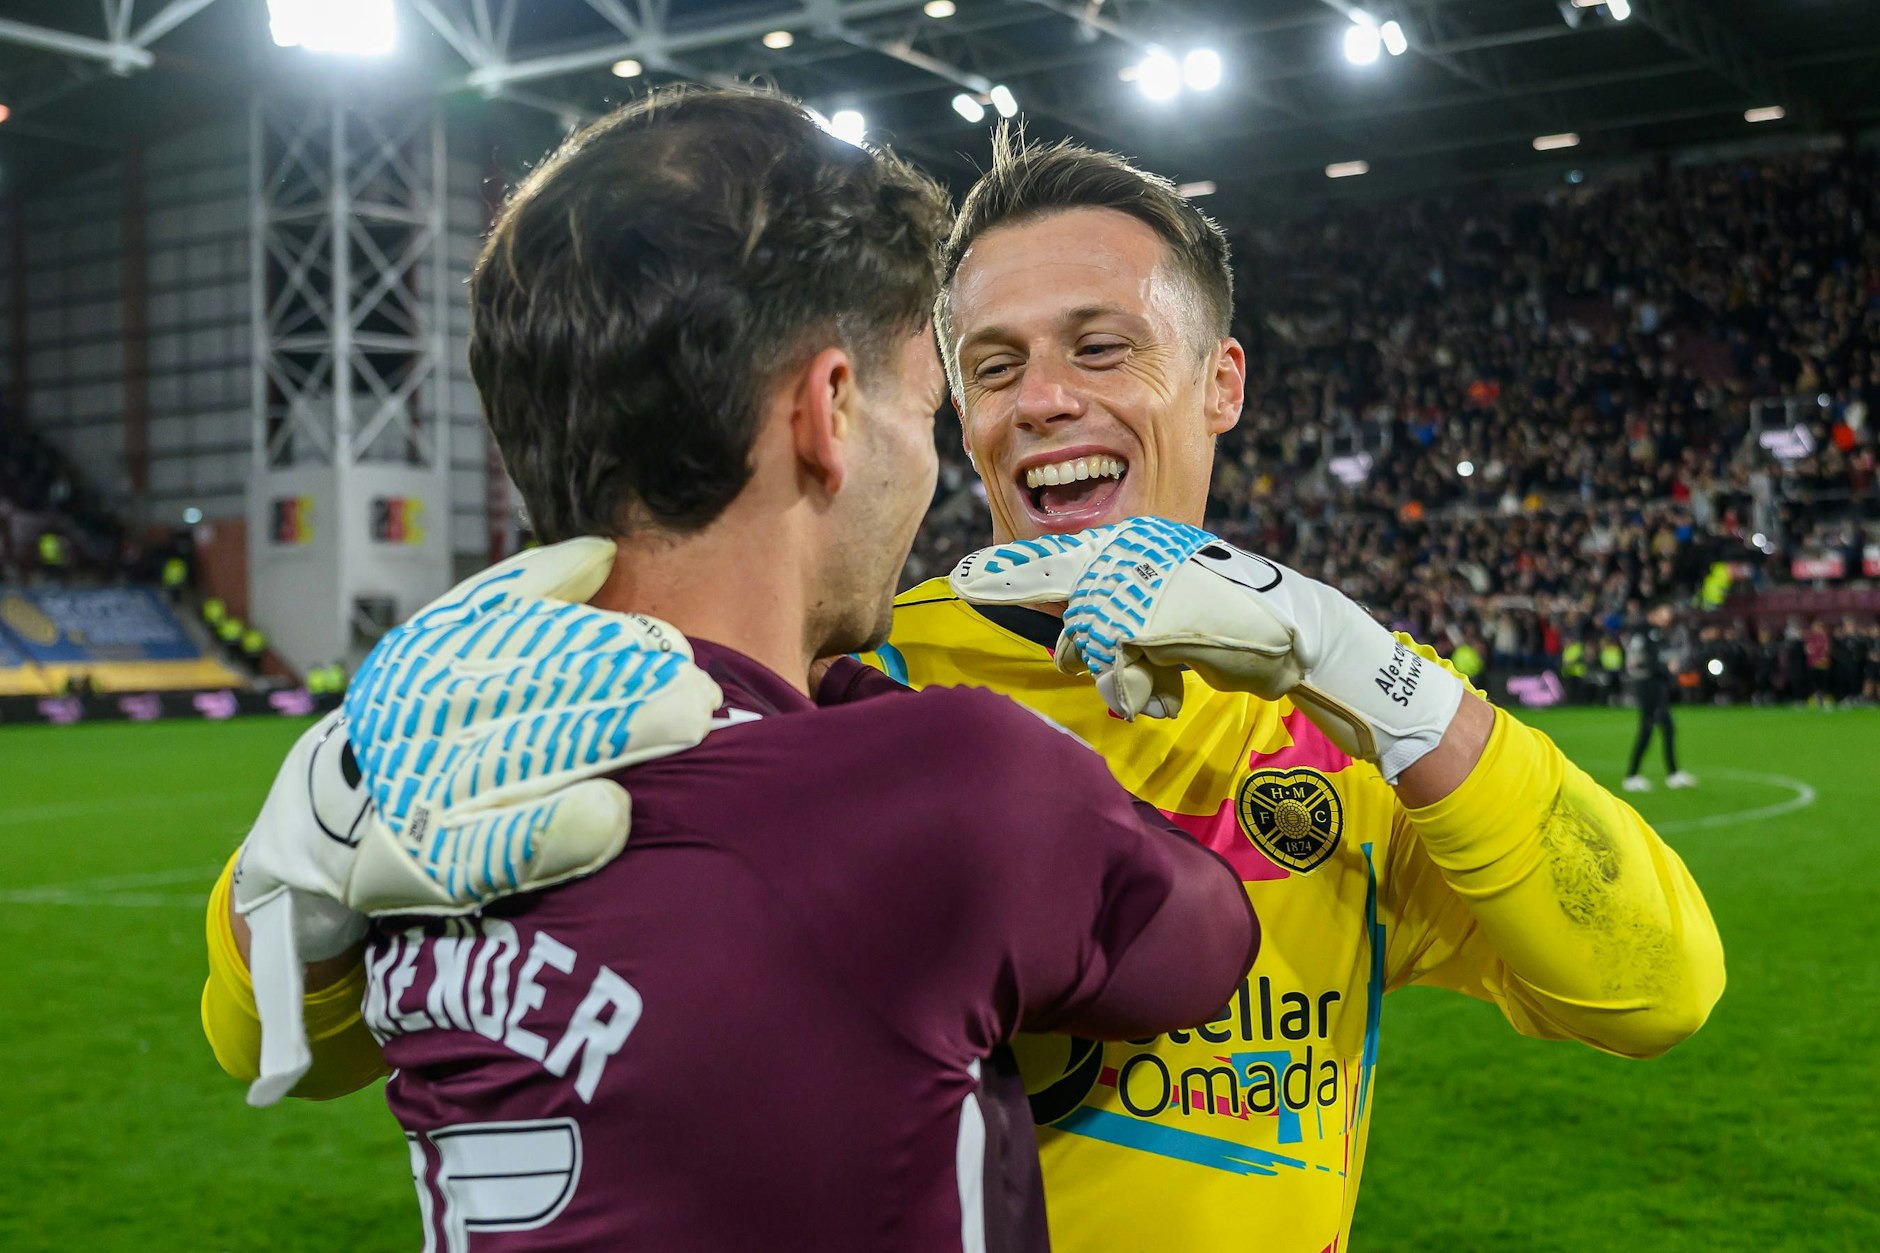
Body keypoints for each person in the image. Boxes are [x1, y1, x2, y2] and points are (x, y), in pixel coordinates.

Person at [200, 87, 1258, 1251]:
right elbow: (1204, 941)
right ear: (830, 411)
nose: (931, 464)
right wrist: (876, 702)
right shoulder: (951, 785)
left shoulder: (413, 804)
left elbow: (268, 1037)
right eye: (923, 403)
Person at [858, 131, 1723, 1253]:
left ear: (1220, 383)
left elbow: (1656, 988)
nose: (1043, 400)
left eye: (1100, 347)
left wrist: (1363, 667)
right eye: (993, 365)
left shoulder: (1347, 713)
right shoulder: (861, 678)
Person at [1623, 604, 1695, 791]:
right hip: (1648, 684)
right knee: (1647, 728)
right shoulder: (1647, 633)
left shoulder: (1649, 633)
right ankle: (1632, 775)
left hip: (1654, 683)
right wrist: (1668, 668)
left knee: (1668, 727)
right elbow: (1647, 662)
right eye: (1663, 613)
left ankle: (1673, 774)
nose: (1667, 617)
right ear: (1652, 613)